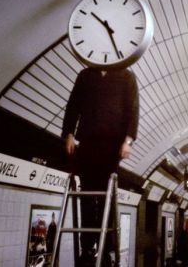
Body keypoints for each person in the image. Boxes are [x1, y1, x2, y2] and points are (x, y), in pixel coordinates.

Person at [62, 67, 139, 266]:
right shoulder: (86, 75)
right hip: (87, 140)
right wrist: (69, 133)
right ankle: (88, 245)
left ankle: (103, 245)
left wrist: (127, 142)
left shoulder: (126, 76)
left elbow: (133, 110)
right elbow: (74, 104)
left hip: (113, 144)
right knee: (87, 192)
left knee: (106, 194)